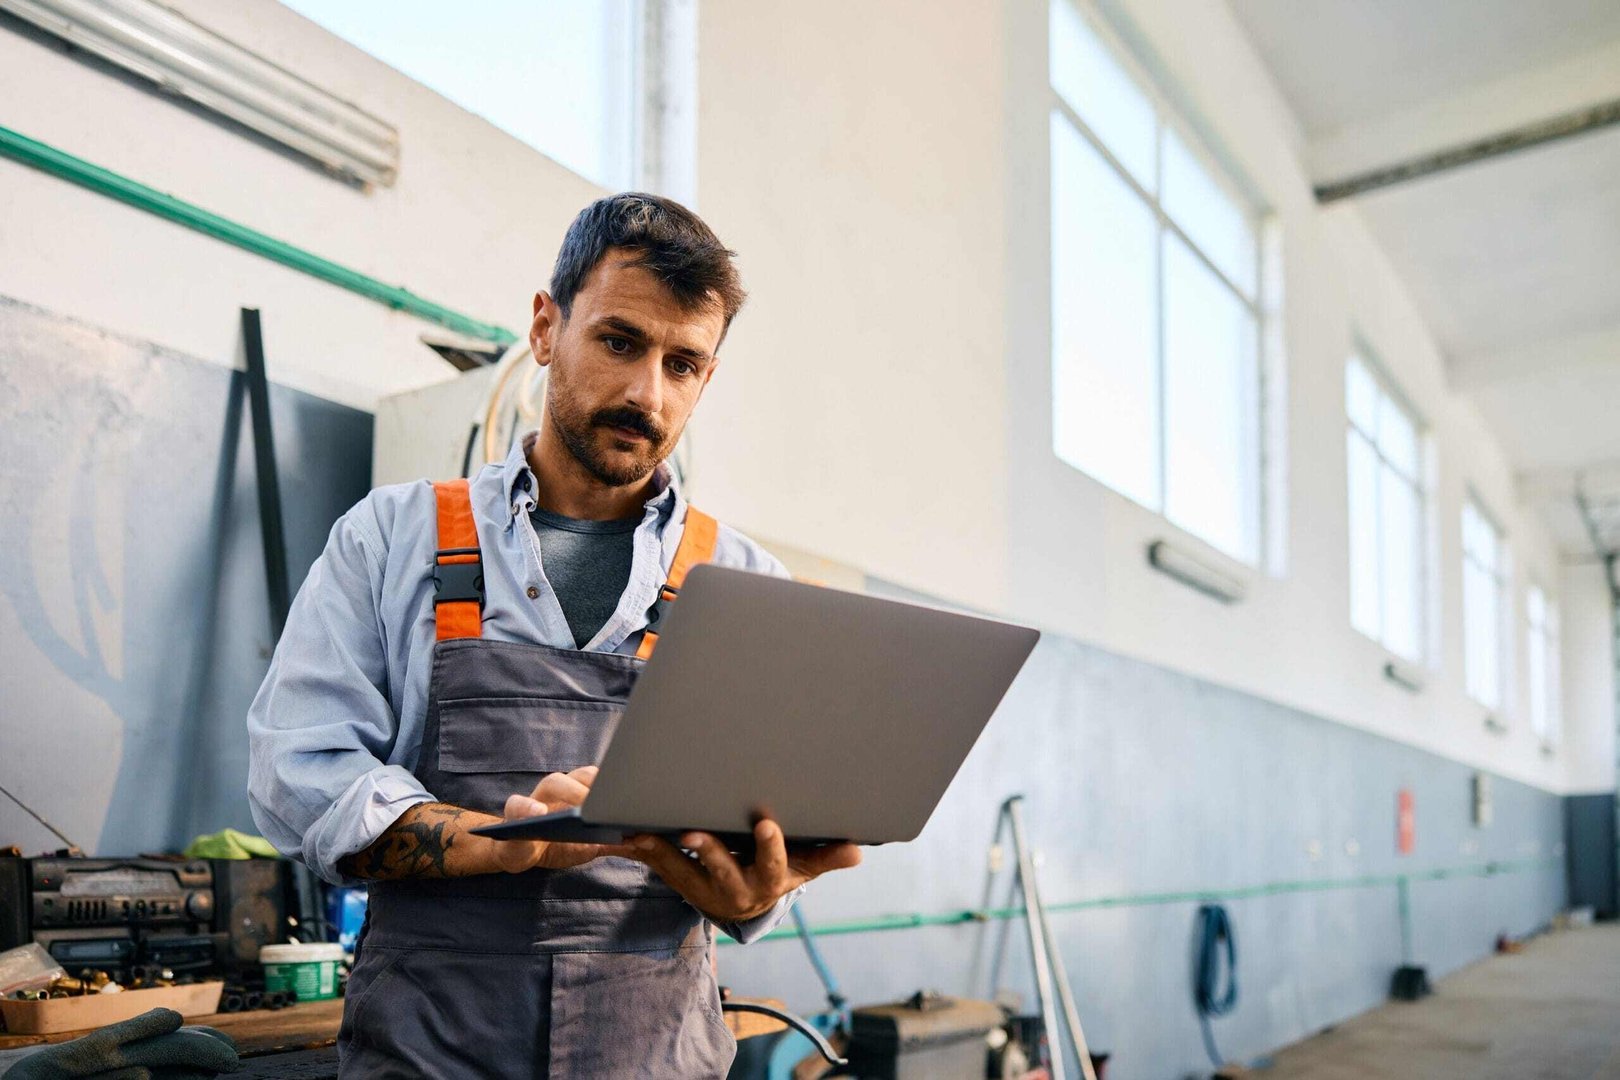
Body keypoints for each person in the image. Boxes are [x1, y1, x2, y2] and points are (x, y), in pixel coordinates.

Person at [246, 193, 861, 1077]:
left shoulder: (748, 587)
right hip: (430, 1051)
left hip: (655, 1056)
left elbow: (768, 830)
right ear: (546, 328)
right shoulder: (391, 539)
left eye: (683, 364)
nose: (647, 393)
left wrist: (760, 891)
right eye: (619, 342)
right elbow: (300, 771)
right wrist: (491, 841)